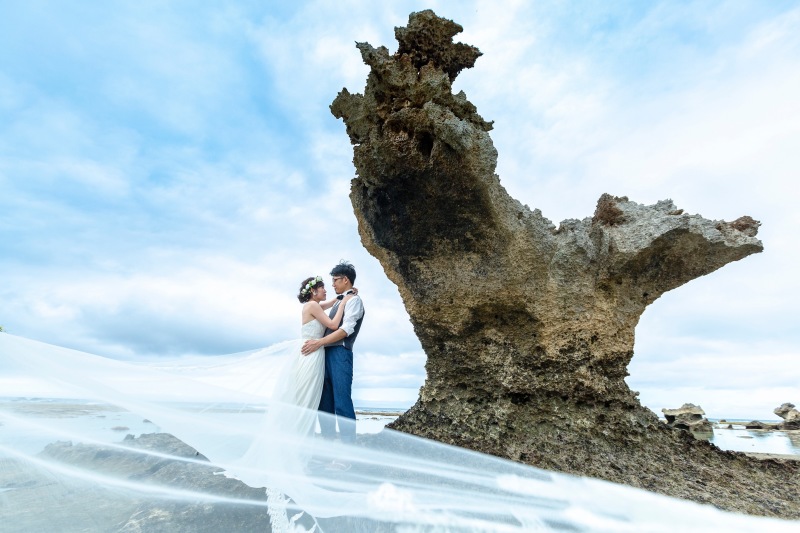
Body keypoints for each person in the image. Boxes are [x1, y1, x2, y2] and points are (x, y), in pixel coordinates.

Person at [301, 260, 364, 445]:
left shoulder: (354, 301)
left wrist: (319, 342)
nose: (333, 284)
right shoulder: (341, 300)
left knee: (342, 401)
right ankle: (327, 448)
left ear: (345, 280)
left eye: (335, 280)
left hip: (340, 353)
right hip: (322, 355)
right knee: (324, 403)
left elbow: (345, 330)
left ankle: (347, 450)